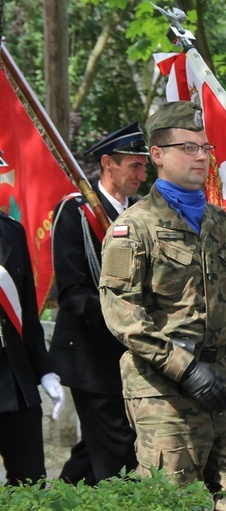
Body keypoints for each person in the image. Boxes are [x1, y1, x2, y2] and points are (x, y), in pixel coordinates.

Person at [98, 101, 226, 510]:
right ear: (157, 155)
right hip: (162, 388)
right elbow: (121, 313)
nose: (201, 156)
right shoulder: (132, 228)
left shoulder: (219, 221)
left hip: (223, 379)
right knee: (170, 502)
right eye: (188, 148)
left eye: (205, 147)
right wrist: (185, 368)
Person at [50, 122, 147, 485]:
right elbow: (72, 293)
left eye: (143, 166)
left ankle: (54, 501)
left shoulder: (141, 212)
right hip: (90, 355)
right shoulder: (75, 212)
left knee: (94, 452)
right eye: (133, 166)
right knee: (118, 453)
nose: (141, 174)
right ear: (108, 163)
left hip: (129, 353)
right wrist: (126, 318)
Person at [0, 212, 65, 485]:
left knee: (30, 482)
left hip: (14, 378)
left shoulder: (11, 231)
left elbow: (27, 312)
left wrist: (45, 371)